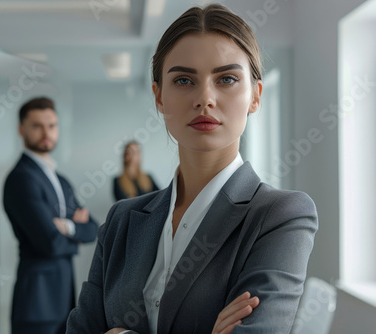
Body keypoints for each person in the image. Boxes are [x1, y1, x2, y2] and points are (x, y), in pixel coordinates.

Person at [67, 4, 318, 334]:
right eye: (184, 80)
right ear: (159, 97)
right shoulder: (121, 221)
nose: (205, 98)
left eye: (226, 78)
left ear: (256, 96)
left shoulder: (280, 216)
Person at [3, 97, 98, 334]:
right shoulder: (22, 178)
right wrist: (73, 231)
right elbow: (49, 244)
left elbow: (93, 229)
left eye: (52, 126)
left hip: (63, 300)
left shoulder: (60, 180)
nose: (46, 132)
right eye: (37, 126)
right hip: (36, 304)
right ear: (21, 129)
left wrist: (67, 227)